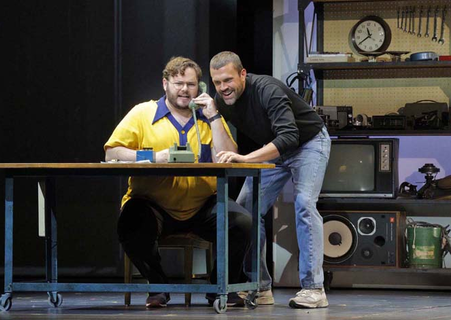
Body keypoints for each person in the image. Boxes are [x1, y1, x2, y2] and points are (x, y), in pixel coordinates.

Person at [104, 56, 252, 308]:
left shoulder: (209, 117)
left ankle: (220, 288)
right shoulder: (143, 113)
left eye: (191, 84)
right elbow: (112, 153)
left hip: (202, 205)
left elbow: (229, 158)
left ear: (200, 88)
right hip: (153, 205)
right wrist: (153, 157)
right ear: (165, 84)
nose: (185, 89)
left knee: (241, 222)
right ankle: (159, 286)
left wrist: (214, 117)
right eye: (178, 83)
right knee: (130, 223)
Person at [193, 51, 331, 308]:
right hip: (274, 149)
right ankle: (260, 286)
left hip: (308, 143)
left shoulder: (268, 90)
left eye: (228, 80)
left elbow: (289, 137)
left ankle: (314, 289)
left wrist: (245, 159)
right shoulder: (221, 101)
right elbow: (224, 149)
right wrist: (213, 115)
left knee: (304, 204)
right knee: (245, 211)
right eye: (217, 82)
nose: (223, 88)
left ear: (242, 74)